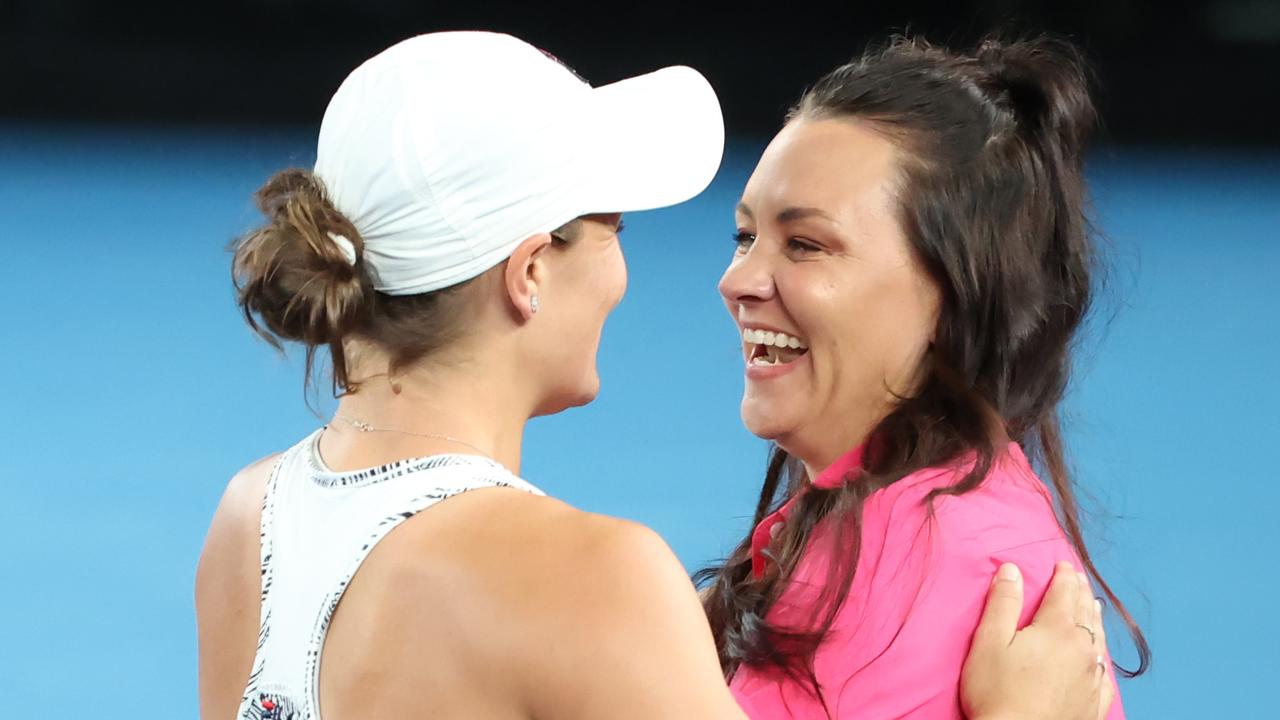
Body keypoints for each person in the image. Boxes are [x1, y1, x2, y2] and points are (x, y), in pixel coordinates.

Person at [197, 31, 1113, 720]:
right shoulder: (598, 581)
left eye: (801, 244)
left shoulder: (252, 515)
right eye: (614, 231)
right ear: (529, 274)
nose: (733, 280)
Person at [699, 35, 1150, 719]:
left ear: (952, 296)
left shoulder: (899, 559)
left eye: (806, 244)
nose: (738, 281)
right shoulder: (926, 511)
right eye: (745, 236)